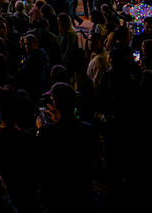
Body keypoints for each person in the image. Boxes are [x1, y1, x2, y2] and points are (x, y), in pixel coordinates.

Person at [36, 82, 101, 213]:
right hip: (83, 193)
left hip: (57, 196)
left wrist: (41, 129)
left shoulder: (47, 132)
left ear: (55, 104)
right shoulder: (88, 130)